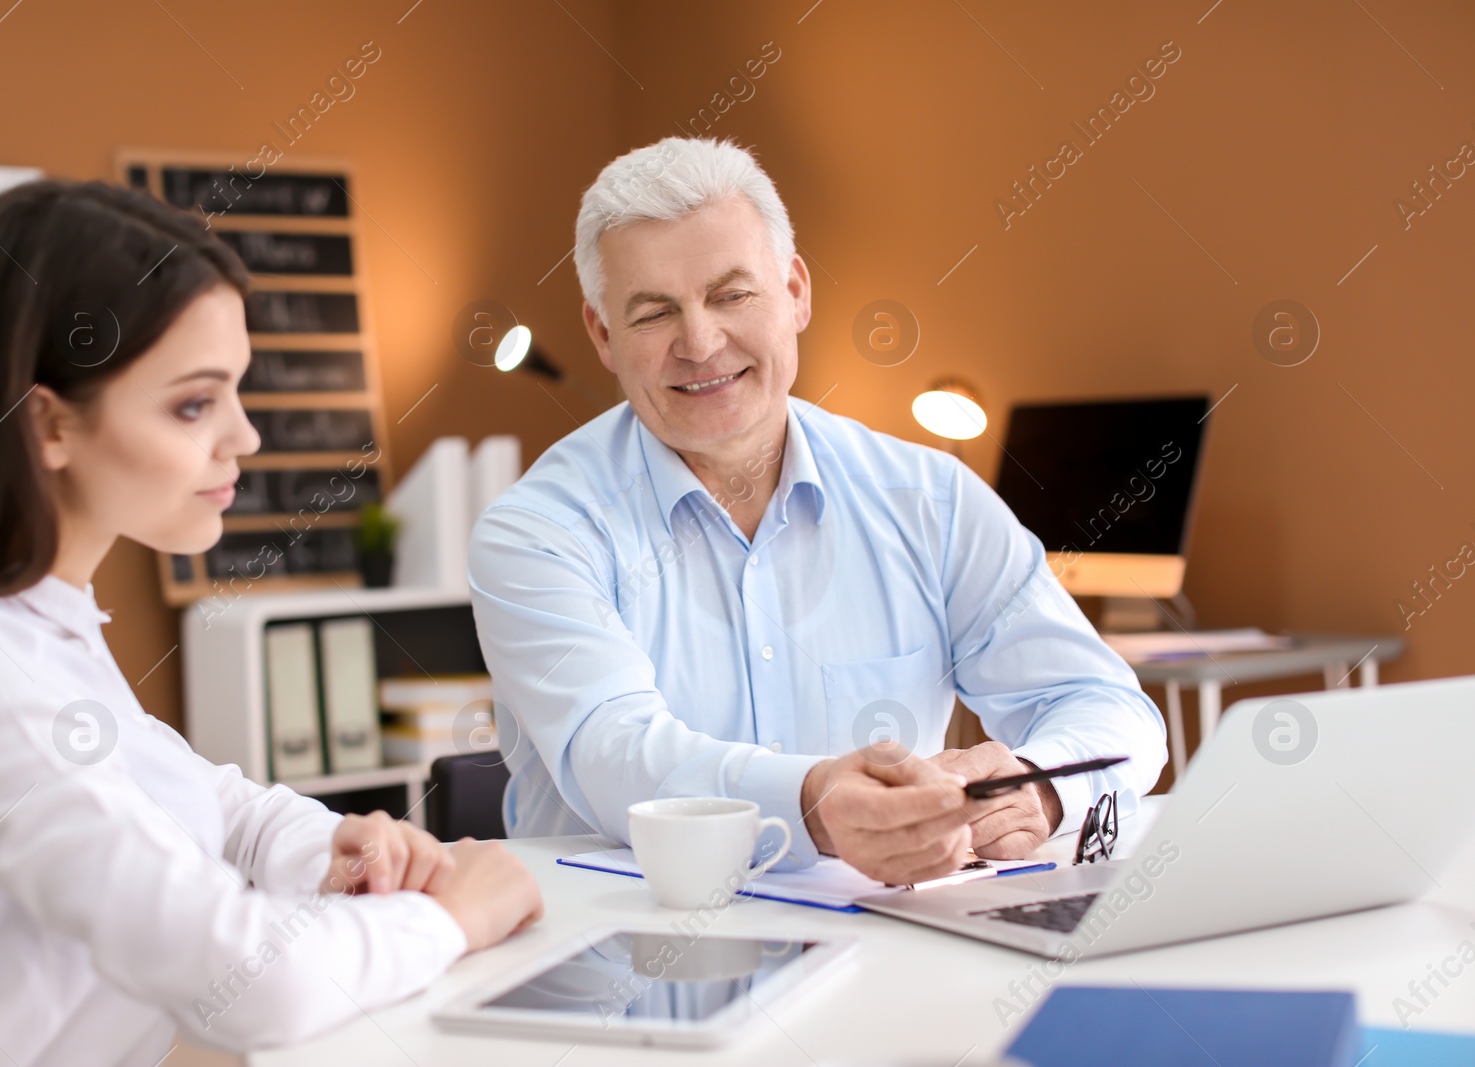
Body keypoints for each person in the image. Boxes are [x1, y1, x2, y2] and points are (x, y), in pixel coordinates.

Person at [0, 180, 542, 1066]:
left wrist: (336, 848)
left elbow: (217, 804)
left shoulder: (48, 629)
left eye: (235, 392)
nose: (245, 437)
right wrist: (445, 919)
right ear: (47, 423)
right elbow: (244, 981)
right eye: (194, 404)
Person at [468, 137, 1169, 886]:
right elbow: (615, 755)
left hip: (885, 946)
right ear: (603, 336)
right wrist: (814, 804)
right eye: (653, 313)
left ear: (796, 291)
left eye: (732, 294)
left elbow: (1104, 705)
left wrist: (1041, 785)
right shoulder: (537, 533)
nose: (701, 342)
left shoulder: (932, 501)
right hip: (623, 953)